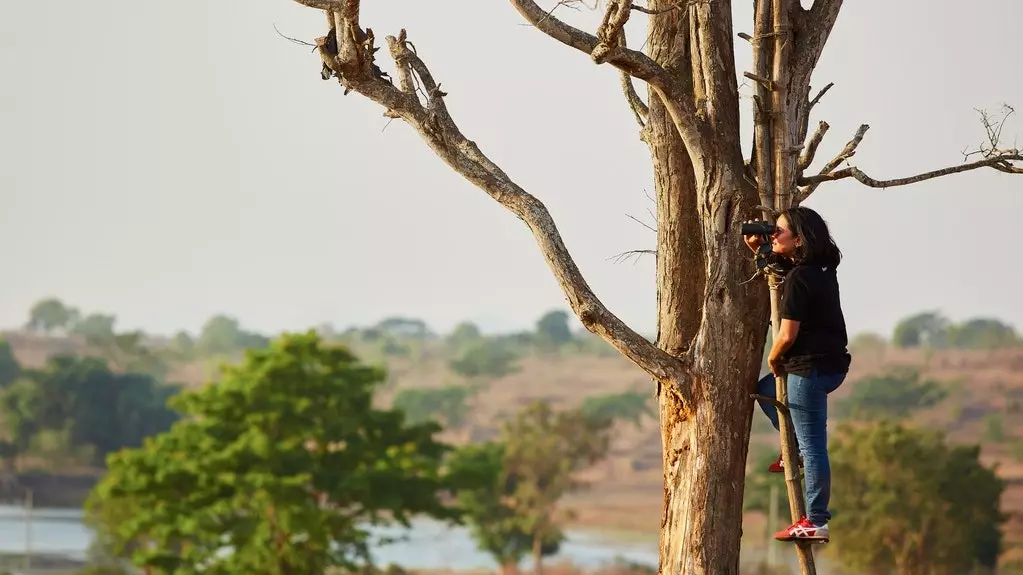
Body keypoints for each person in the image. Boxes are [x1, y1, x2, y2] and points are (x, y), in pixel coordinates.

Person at [743, 206, 851, 544]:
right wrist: (760, 250)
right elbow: (784, 269)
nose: (773, 235)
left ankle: (816, 520)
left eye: (779, 231)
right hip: (828, 363)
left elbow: (787, 336)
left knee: (815, 445)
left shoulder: (801, 278)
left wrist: (775, 358)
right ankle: (795, 449)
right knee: (765, 389)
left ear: (800, 239)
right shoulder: (818, 269)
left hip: (808, 367)